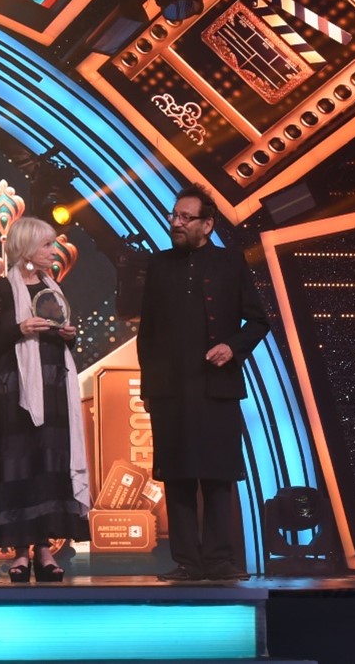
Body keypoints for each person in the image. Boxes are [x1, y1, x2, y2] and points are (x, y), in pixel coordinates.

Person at [138, 184, 270, 582]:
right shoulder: (159, 265)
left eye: (185, 217)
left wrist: (233, 346)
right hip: (171, 388)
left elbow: (259, 321)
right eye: (174, 216)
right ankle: (187, 562)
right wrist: (149, 386)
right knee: (177, 475)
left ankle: (218, 559)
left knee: (217, 474)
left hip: (216, 385)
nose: (176, 223)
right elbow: (148, 332)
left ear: (207, 224)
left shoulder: (230, 263)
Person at [0, 216, 90, 582]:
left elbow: (64, 337)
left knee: (47, 466)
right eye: (46, 245)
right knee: (17, 465)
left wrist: (68, 335)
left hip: (53, 390)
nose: (53, 251)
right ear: (26, 248)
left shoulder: (52, 288)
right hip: (13, 393)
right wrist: (20, 328)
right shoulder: (1, 289)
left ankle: (44, 548)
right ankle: (20, 552)